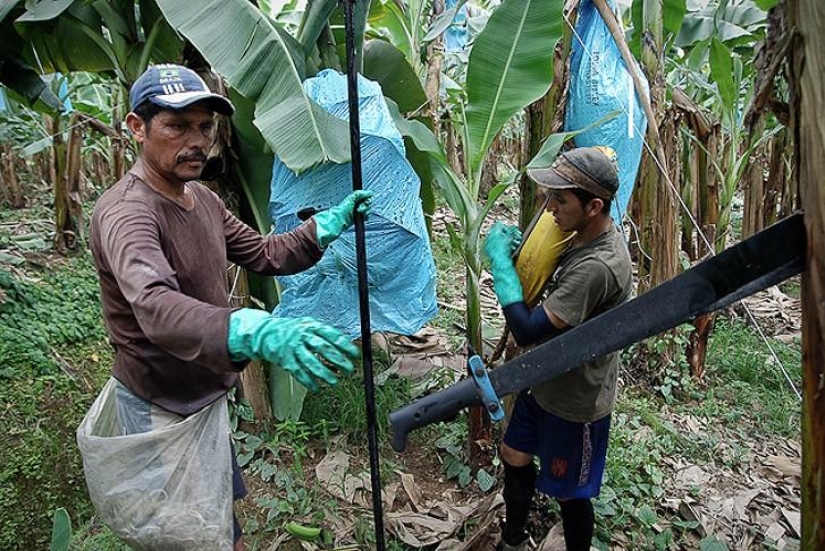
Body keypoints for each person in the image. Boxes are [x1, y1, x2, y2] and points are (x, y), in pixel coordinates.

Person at [89, 64, 372, 551]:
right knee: (178, 533)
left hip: (203, 395)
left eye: (204, 126)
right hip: (160, 405)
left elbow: (265, 253)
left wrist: (323, 226)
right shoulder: (127, 213)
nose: (197, 141)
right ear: (137, 128)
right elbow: (154, 306)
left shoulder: (201, 198)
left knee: (219, 521)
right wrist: (253, 330)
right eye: (177, 126)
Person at [483, 147, 632, 551]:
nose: (549, 208)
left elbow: (528, 329)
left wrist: (500, 268)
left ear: (593, 206)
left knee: (570, 491)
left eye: (560, 200)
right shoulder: (580, 236)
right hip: (545, 379)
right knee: (513, 453)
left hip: (575, 399)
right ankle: (513, 539)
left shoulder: (597, 267)